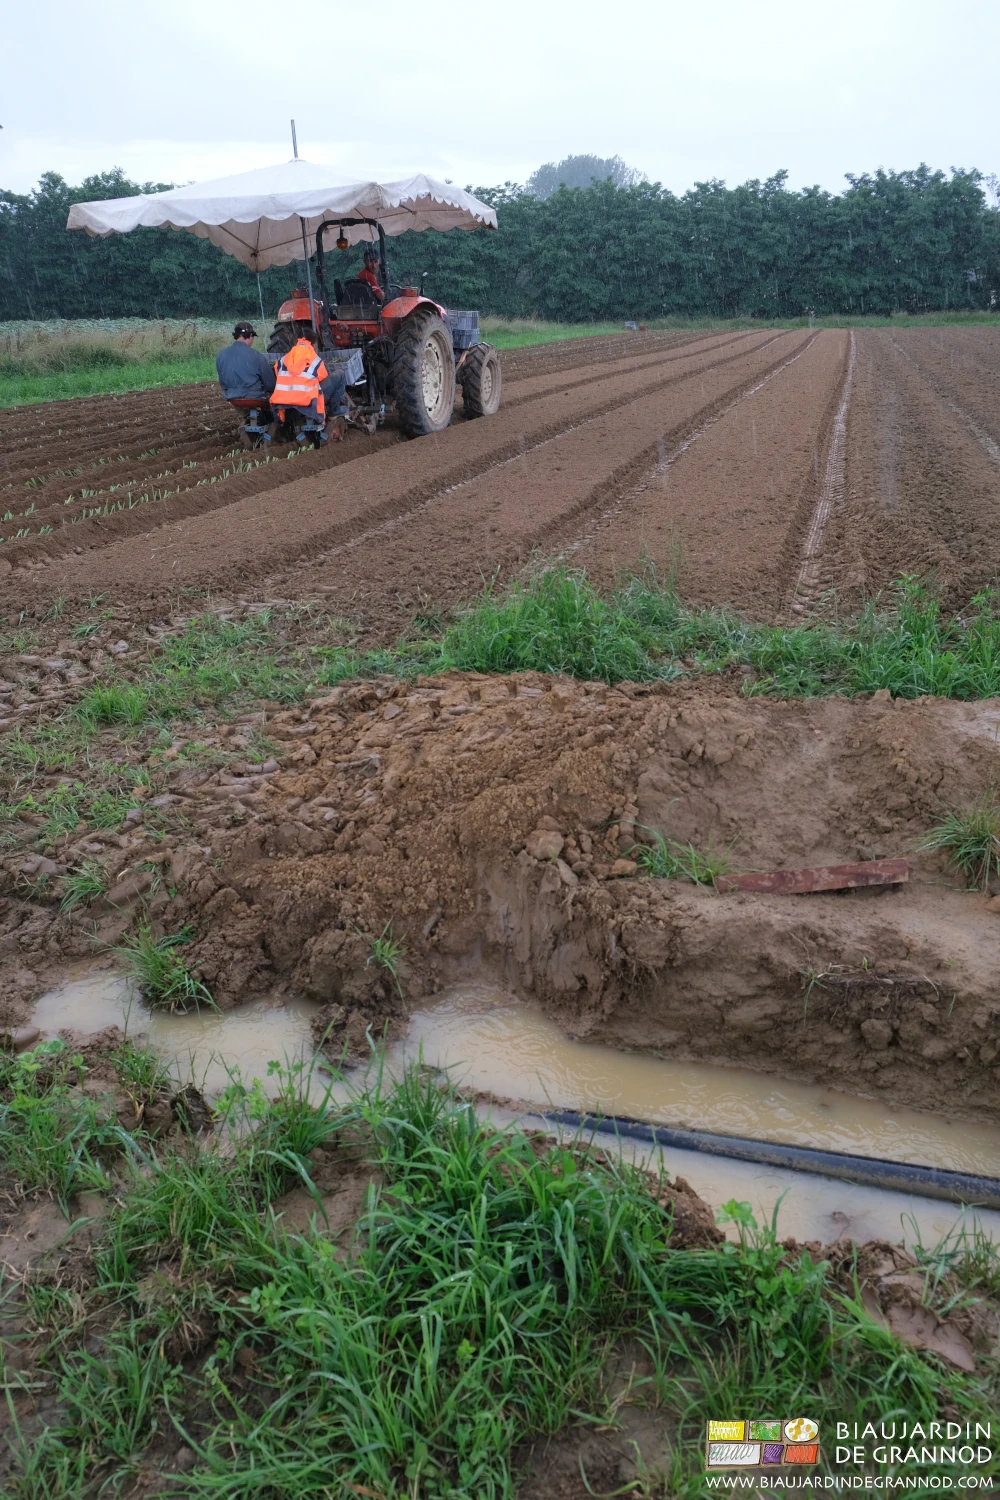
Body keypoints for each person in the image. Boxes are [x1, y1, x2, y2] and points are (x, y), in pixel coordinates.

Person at [271, 332, 349, 435]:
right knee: (340, 375)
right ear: (313, 344)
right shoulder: (315, 359)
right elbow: (323, 378)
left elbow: (278, 375)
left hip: (284, 401)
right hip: (307, 400)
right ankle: (334, 411)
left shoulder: (283, 359)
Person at [215, 322, 277, 401]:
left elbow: (222, 381)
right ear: (250, 335)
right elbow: (270, 384)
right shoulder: (256, 355)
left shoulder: (221, 354)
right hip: (254, 396)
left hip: (230, 395)